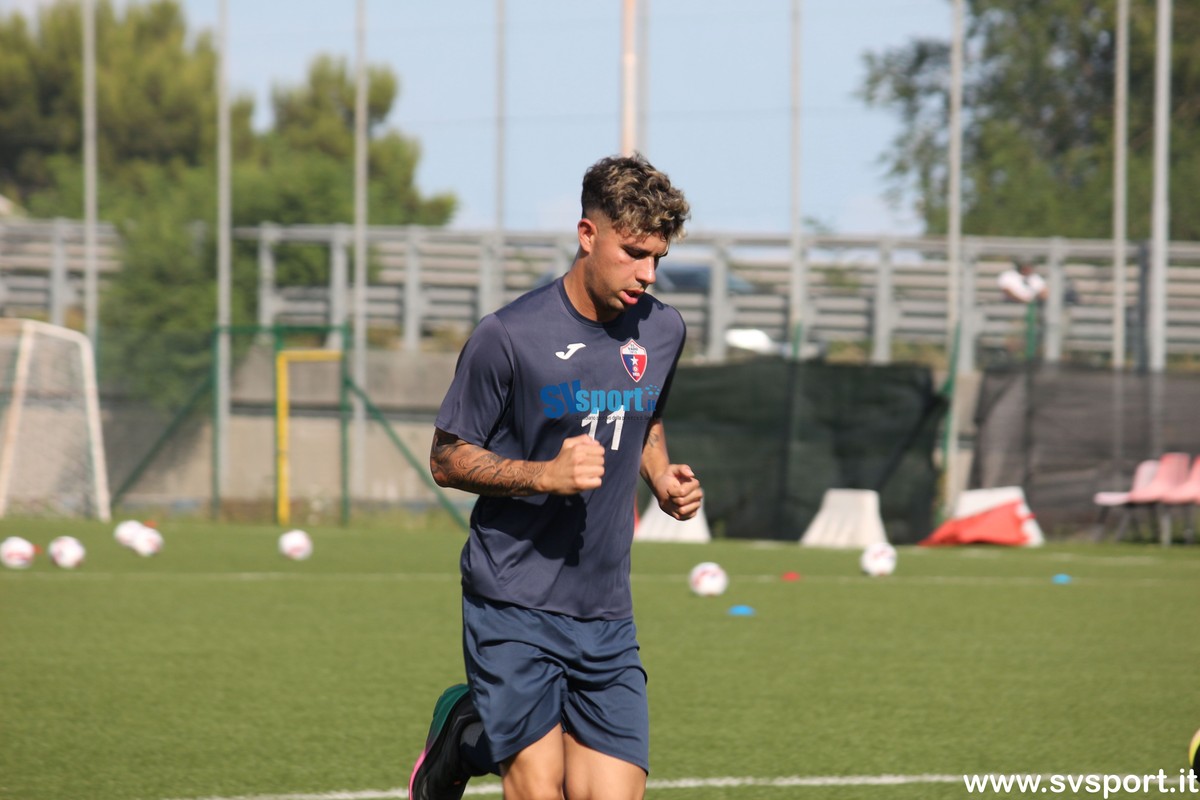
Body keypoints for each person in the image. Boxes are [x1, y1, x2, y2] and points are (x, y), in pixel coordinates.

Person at [408, 153, 703, 800]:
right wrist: (544, 475)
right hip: (512, 599)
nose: (648, 274)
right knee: (541, 788)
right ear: (587, 234)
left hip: (606, 610)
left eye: (658, 258)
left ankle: (472, 730)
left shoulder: (663, 330)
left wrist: (662, 478)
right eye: (633, 253)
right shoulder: (507, 336)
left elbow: (646, 414)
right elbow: (446, 458)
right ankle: (471, 733)